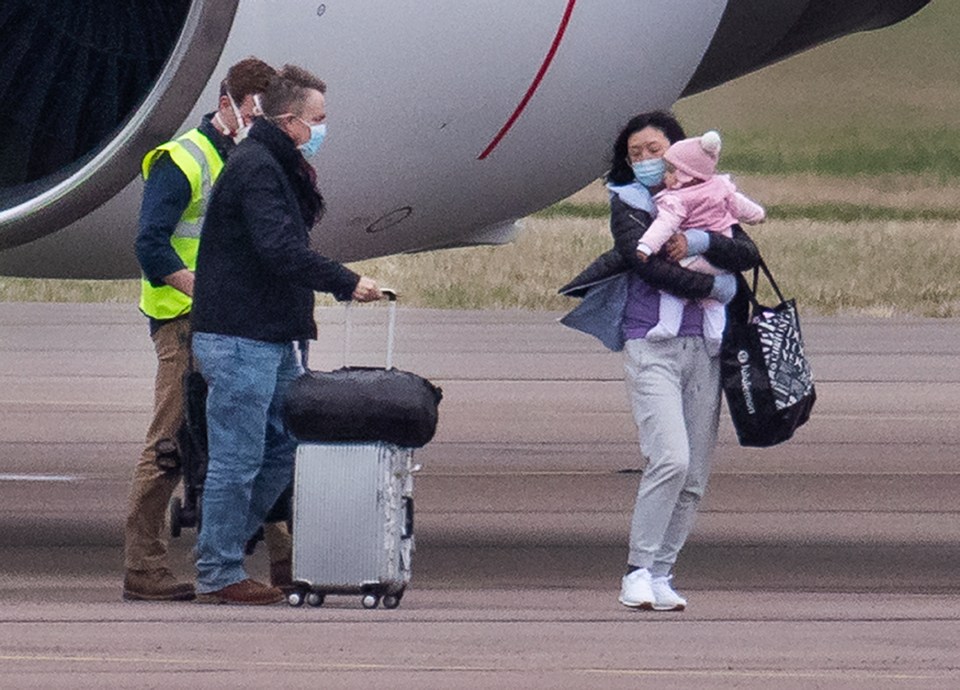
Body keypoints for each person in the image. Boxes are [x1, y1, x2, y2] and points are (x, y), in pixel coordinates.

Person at [190, 68, 382, 605]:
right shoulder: (258, 168)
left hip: (270, 335)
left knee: (284, 444)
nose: (323, 128)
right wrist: (348, 282)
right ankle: (219, 570)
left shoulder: (276, 164)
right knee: (239, 457)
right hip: (240, 336)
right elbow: (280, 251)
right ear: (289, 120)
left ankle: (222, 548)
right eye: (317, 120)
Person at [558, 111, 761, 611]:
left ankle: (664, 572)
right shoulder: (628, 204)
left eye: (654, 149)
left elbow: (746, 250)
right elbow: (644, 262)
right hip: (651, 344)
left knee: (695, 474)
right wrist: (717, 285)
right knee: (670, 457)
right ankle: (637, 569)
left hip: (708, 349)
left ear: (679, 149)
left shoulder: (712, 194)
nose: (646, 160)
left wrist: (700, 242)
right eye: (635, 154)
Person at [124, 57, 285, 602]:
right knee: (170, 441)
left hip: (242, 318)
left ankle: (282, 558)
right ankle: (143, 566)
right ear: (228, 106)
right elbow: (151, 244)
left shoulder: (255, 158)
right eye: (255, 113)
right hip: (183, 321)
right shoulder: (182, 160)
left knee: (259, 432)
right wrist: (205, 290)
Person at [635, 130, 765, 351]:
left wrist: (647, 245)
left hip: (692, 259)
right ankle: (715, 337)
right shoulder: (721, 188)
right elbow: (744, 208)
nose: (668, 174)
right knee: (714, 305)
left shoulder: (676, 199)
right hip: (719, 264)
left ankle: (668, 325)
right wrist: (758, 215)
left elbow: (664, 225)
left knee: (672, 292)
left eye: (672, 169)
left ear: (685, 174)